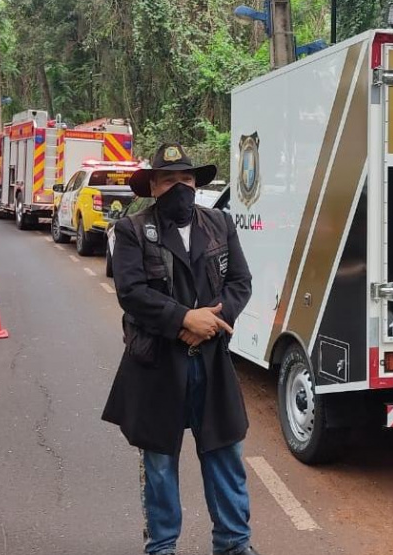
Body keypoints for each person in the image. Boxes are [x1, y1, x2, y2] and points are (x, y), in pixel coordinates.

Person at [103, 143, 260, 555]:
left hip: (211, 363)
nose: (180, 187)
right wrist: (183, 320)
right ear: (153, 186)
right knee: (158, 464)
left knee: (225, 454)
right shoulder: (132, 230)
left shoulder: (220, 224)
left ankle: (233, 544)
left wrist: (207, 324)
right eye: (170, 180)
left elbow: (240, 283)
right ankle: (162, 546)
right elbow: (131, 292)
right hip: (155, 366)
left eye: (186, 179)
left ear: (197, 183)